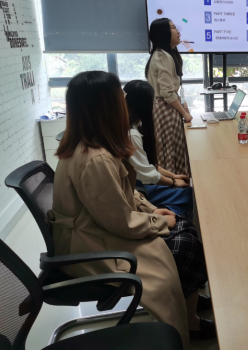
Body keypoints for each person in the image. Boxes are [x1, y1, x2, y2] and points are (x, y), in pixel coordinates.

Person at [48, 71, 215, 344]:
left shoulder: (95, 146)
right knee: (184, 244)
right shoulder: (95, 159)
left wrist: (151, 211)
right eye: (119, 97)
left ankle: (188, 308)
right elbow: (121, 221)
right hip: (90, 247)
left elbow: (123, 196)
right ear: (106, 106)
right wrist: (157, 222)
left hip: (95, 231)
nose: (124, 103)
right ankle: (185, 324)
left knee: (185, 228)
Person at [124, 80, 194, 220]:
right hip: (137, 188)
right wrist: (173, 182)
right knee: (189, 195)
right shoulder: (132, 135)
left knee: (187, 191)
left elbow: (150, 165)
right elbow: (147, 174)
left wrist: (174, 176)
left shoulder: (133, 128)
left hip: (140, 184)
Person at [145, 18, 193, 176]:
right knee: (170, 149)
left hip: (167, 106)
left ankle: (177, 181)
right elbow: (166, 92)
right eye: (173, 28)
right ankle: (175, 183)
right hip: (164, 109)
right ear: (163, 33)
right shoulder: (162, 56)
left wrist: (183, 105)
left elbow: (172, 90)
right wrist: (184, 113)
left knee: (172, 149)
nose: (178, 32)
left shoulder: (168, 54)